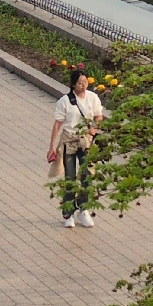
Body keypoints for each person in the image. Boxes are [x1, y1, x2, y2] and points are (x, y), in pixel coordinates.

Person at [47, 67, 104, 228]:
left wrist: (94, 129)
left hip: (86, 141)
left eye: (85, 82)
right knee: (70, 178)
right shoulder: (65, 101)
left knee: (87, 175)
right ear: (73, 85)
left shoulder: (92, 97)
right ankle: (68, 213)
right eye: (79, 83)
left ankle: (83, 209)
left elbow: (99, 116)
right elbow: (58, 124)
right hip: (69, 140)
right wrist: (52, 146)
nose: (83, 85)